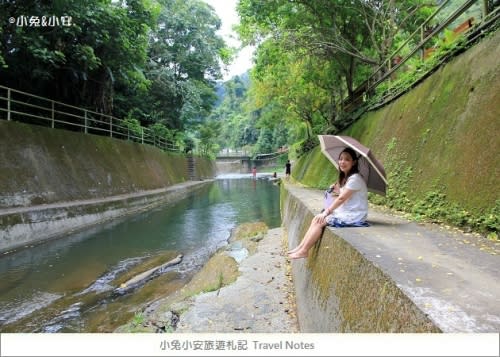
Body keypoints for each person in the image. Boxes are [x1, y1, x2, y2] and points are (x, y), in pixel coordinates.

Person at [288, 147, 369, 259]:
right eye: (340, 159)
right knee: (316, 218)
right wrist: (336, 189)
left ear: (354, 162)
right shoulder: (348, 178)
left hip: (354, 215)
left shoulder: (355, 178)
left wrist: (326, 212)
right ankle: (301, 247)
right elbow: (344, 195)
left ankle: (305, 250)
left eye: (347, 159)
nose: (342, 162)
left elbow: (341, 199)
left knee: (321, 220)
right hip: (347, 211)